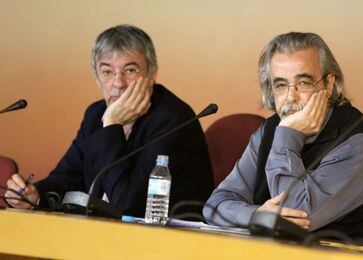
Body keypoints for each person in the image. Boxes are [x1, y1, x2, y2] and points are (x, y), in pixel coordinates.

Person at [203, 32, 363, 247]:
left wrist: (288, 136)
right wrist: (256, 216)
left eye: (304, 83)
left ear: (328, 84)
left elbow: (294, 217)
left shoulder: (358, 144)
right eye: (280, 85)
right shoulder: (271, 131)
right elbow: (214, 205)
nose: (291, 97)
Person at [5, 24, 214, 217]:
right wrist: (34, 196)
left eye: (130, 70)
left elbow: (125, 203)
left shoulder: (172, 119)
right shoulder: (96, 114)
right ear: (97, 79)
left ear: (152, 75)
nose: (118, 83)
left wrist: (112, 125)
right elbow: (68, 176)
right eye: (107, 72)